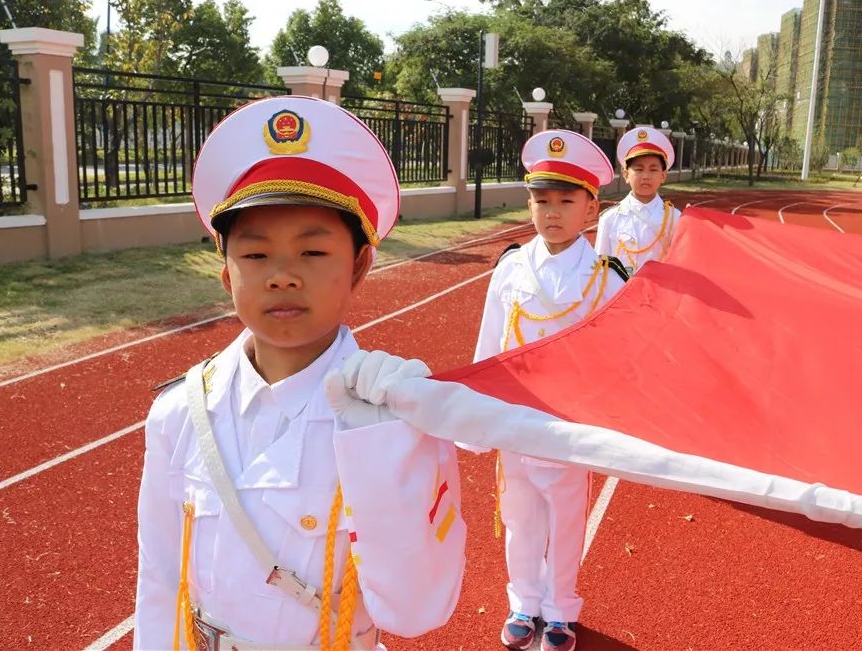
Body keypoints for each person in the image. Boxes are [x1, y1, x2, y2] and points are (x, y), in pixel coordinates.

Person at [133, 96, 465, 650]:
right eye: (256, 256)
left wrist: (384, 451)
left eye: (313, 253)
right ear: (226, 274)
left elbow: (417, 609)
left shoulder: (395, 418)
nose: (283, 277)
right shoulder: (180, 413)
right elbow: (161, 578)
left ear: (359, 264)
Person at [472, 129, 628, 651]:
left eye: (567, 201)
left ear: (592, 208)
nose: (553, 212)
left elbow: (618, 358)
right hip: (516, 419)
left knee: (563, 520)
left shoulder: (605, 277)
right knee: (519, 518)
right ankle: (523, 602)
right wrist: (475, 411)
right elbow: (489, 345)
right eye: (542, 200)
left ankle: (560, 610)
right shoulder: (510, 268)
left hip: (567, 423)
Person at [595, 126, 681, 275]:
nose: (646, 176)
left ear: (663, 175)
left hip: (659, 293)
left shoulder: (675, 218)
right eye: (639, 169)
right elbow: (600, 266)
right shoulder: (609, 218)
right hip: (621, 292)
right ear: (626, 174)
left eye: (653, 169)